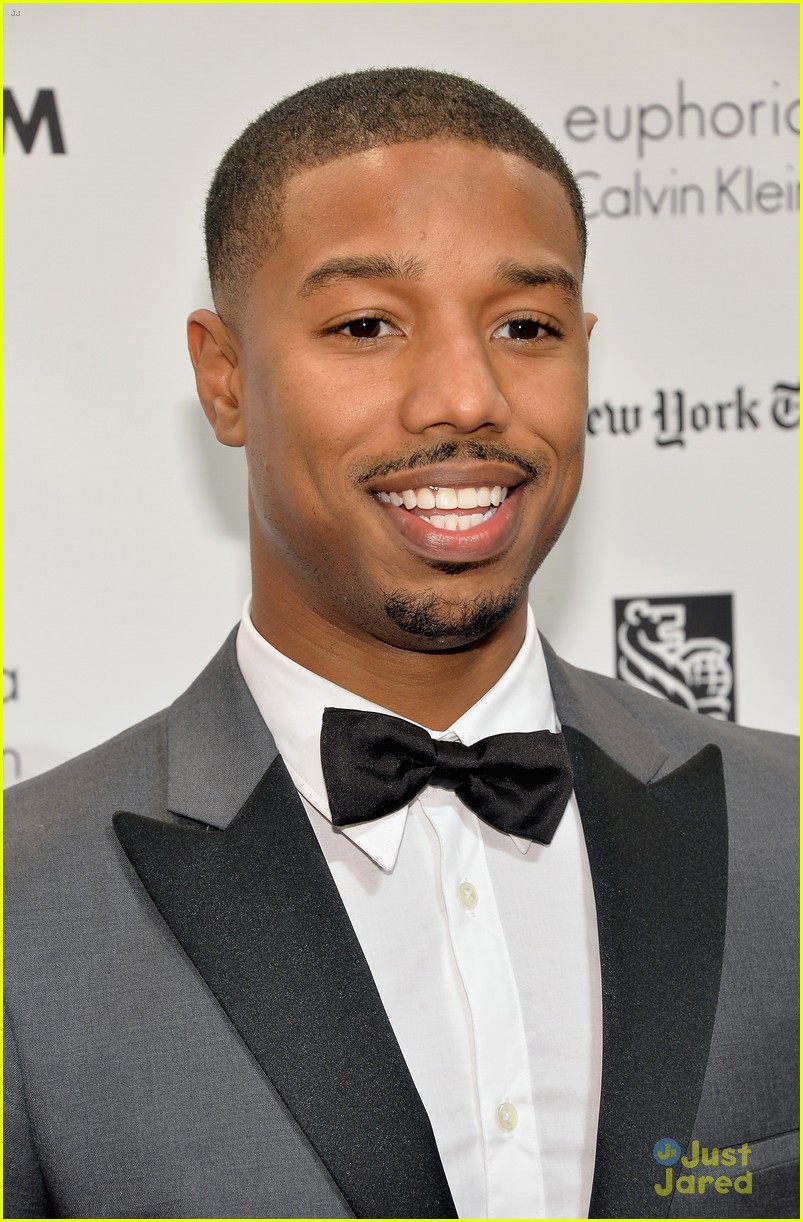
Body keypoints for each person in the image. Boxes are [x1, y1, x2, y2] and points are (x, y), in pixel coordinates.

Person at [4, 68, 797, 1221]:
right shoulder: (26, 907)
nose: (465, 396)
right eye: (365, 326)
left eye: (523, 326)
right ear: (224, 379)